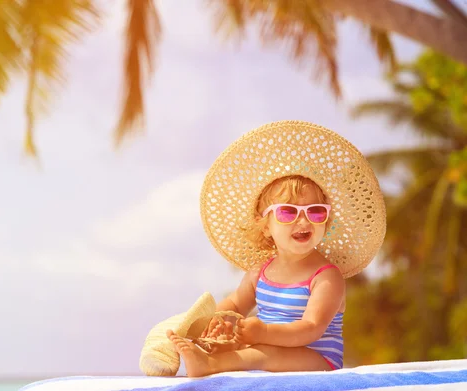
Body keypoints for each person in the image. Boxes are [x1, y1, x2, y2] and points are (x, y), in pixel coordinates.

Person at [166, 120, 387, 377]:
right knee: (241, 346)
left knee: (262, 352)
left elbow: (312, 327)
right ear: (265, 226)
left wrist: (265, 332)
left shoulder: (327, 276)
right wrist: (220, 321)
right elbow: (236, 304)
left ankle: (209, 366)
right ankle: (211, 356)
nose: (303, 221)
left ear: (326, 221)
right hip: (269, 349)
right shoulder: (260, 273)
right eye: (287, 212)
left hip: (317, 359)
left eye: (315, 212)